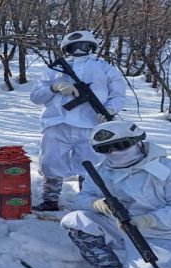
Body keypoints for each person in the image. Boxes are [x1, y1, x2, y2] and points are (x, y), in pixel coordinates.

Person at [60, 121, 171, 268]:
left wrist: (148, 220)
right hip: (119, 226)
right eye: (105, 149)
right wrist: (97, 204)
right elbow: (82, 199)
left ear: (138, 141)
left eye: (120, 145)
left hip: (166, 232)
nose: (113, 152)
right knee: (75, 220)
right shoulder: (99, 171)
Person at [30, 30, 127, 211]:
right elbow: (35, 96)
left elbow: (118, 95)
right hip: (57, 123)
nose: (79, 50)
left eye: (84, 46)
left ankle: (88, 201)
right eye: (74, 46)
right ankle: (50, 199)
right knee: (51, 162)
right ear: (66, 48)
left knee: (91, 165)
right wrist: (54, 87)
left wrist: (109, 111)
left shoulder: (105, 68)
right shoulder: (54, 70)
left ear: (91, 46)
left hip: (91, 125)